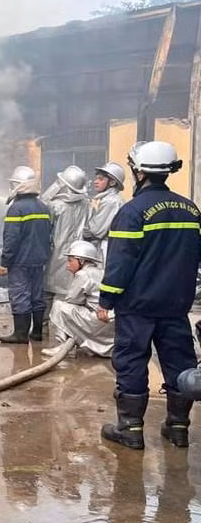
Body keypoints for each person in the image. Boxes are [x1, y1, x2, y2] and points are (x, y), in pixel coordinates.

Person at [98, 141, 201, 450]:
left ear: (139, 172)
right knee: (179, 363)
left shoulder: (132, 212)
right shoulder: (191, 209)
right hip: (176, 306)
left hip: (137, 307)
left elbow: (119, 263)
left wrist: (106, 300)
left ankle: (129, 429)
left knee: (131, 363)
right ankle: (178, 428)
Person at [0, 166, 51, 344]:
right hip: (39, 260)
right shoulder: (43, 207)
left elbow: (11, 239)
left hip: (20, 261)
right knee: (37, 295)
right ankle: (36, 332)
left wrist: (5, 262)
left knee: (20, 294)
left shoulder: (16, 208)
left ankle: (20, 334)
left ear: (18, 185)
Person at [42, 240, 114, 358]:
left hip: (99, 319)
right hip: (111, 321)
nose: (68, 265)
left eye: (70, 260)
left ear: (81, 261)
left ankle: (63, 348)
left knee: (59, 307)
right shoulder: (101, 271)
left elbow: (72, 300)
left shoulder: (83, 275)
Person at [42, 165, 89, 320]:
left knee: (48, 291)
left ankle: (41, 327)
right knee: (73, 292)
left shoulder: (56, 205)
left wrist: (54, 187)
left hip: (56, 253)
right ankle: (69, 329)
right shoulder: (86, 204)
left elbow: (42, 204)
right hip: (78, 254)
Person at [83, 161, 126, 258]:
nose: (95, 181)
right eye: (96, 178)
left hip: (106, 247)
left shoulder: (110, 201)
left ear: (112, 182)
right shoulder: (113, 199)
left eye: (101, 179)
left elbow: (95, 230)